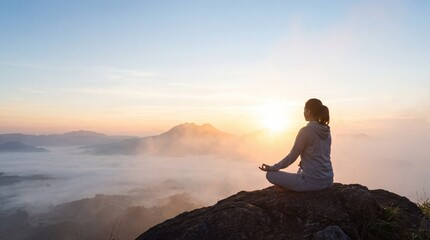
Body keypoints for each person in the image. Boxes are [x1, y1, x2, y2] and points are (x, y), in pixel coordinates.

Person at [259, 98, 334, 192]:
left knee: (270, 175)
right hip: (328, 180)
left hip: (312, 183)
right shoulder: (326, 131)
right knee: (300, 169)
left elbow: (292, 157)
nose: (303, 112)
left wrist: (273, 168)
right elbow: (321, 155)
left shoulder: (306, 131)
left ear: (309, 111)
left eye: (304, 109)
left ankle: (289, 187)